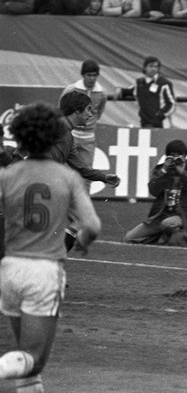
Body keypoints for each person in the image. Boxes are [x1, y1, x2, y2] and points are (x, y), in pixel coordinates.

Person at [0, 102, 101, 392]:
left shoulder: (8, 175)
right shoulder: (66, 177)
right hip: (44, 271)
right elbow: (92, 226)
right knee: (36, 359)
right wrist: (81, 241)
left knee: (29, 372)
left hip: (10, 269)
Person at [124, 139, 187, 244]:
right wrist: (164, 172)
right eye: (172, 155)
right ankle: (168, 237)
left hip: (181, 217)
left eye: (178, 155)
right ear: (167, 156)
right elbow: (153, 191)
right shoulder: (161, 170)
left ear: (184, 156)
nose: (175, 159)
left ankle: (173, 235)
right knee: (129, 238)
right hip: (160, 216)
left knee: (167, 224)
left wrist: (182, 173)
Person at [60, 59, 108, 191]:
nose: (92, 78)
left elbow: (99, 112)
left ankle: (83, 204)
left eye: (95, 75)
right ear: (83, 75)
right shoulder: (72, 89)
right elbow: (63, 107)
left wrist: (90, 122)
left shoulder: (101, 93)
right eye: (89, 75)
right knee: (65, 172)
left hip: (88, 137)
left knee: (86, 174)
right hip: (72, 135)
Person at [116, 56, 176, 129]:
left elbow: (172, 104)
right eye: (151, 66)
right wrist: (120, 90)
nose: (154, 69)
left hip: (161, 124)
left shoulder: (164, 83)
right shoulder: (139, 83)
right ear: (145, 68)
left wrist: (161, 115)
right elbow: (130, 90)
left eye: (156, 67)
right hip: (145, 123)